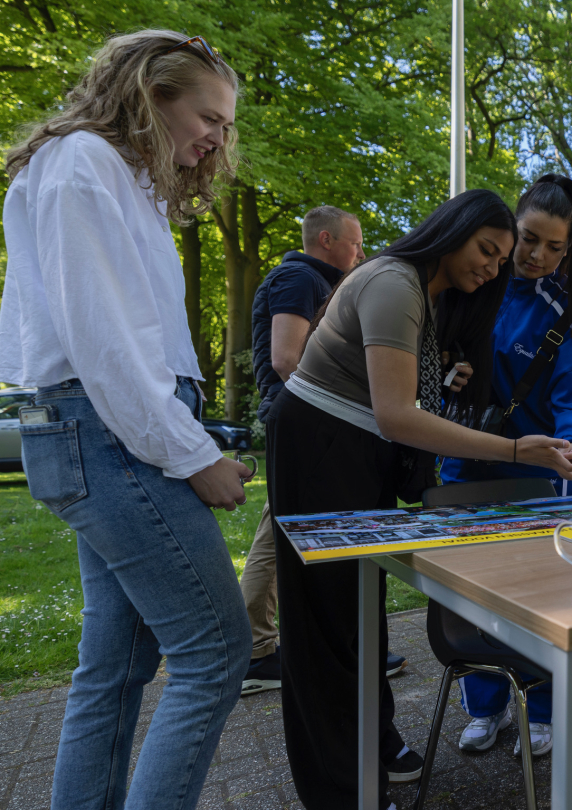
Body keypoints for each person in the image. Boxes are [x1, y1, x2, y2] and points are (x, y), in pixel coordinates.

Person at [267, 189, 572, 809]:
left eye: (502, 259)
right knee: (324, 631)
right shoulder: (394, 282)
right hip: (320, 446)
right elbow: (396, 415)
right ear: (453, 230)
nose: (494, 267)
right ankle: (341, 792)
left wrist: (443, 378)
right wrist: (517, 449)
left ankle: (375, 746)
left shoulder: (434, 297)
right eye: (488, 250)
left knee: (360, 617)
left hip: (358, 453)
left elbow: (402, 399)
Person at [0, 30, 252, 809]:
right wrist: (192, 454)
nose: (217, 139)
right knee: (216, 650)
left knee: (115, 667)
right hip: (111, 434)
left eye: (225, 125)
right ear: (152, 95)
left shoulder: (114, 176)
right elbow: (103, 344)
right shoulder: (83, 163)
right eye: (209, 118)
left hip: (105, 431)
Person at [441, 175, 572, 759]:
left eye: (554, 247)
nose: (537, 255)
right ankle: (485, 707)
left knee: (544, 599)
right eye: (529, 238)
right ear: (510, 226)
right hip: (463, 472)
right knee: (471, 596)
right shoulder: (467, 286)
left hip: (536, 482)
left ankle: (542, 709)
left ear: (569, 250)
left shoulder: (567, 315)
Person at [240, 204, 390, 696]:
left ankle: (313, 646)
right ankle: (256, 651)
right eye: (355, 243)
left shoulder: (315, 281)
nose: (361, 253)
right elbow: (287, 359)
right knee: (280, 532)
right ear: (326, 240)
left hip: (313, 424)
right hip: (307, 425)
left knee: (283, 527)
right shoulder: (300, 278)